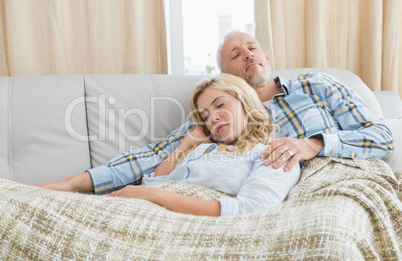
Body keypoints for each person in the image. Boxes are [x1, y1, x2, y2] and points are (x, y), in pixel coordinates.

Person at [37, 30, 394, 195]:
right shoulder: (217, 116)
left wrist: (314, 144)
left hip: (331, 178)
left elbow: (381, 137)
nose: (249, 55)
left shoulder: (317, 85)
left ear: (266, 57)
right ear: (226, 75)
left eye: (252, 48)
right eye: (236, 55)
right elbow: (151, 157)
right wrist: (72, 184)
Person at [107, 74, 300, 216]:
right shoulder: (201, 149)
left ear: (245, 102)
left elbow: (253, 209)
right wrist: (186, 144)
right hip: (142, 211)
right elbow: (149, 185)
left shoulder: (273, 151)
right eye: (205, 116)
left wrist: (158, 196)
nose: (213, 118)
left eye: (220, 105)